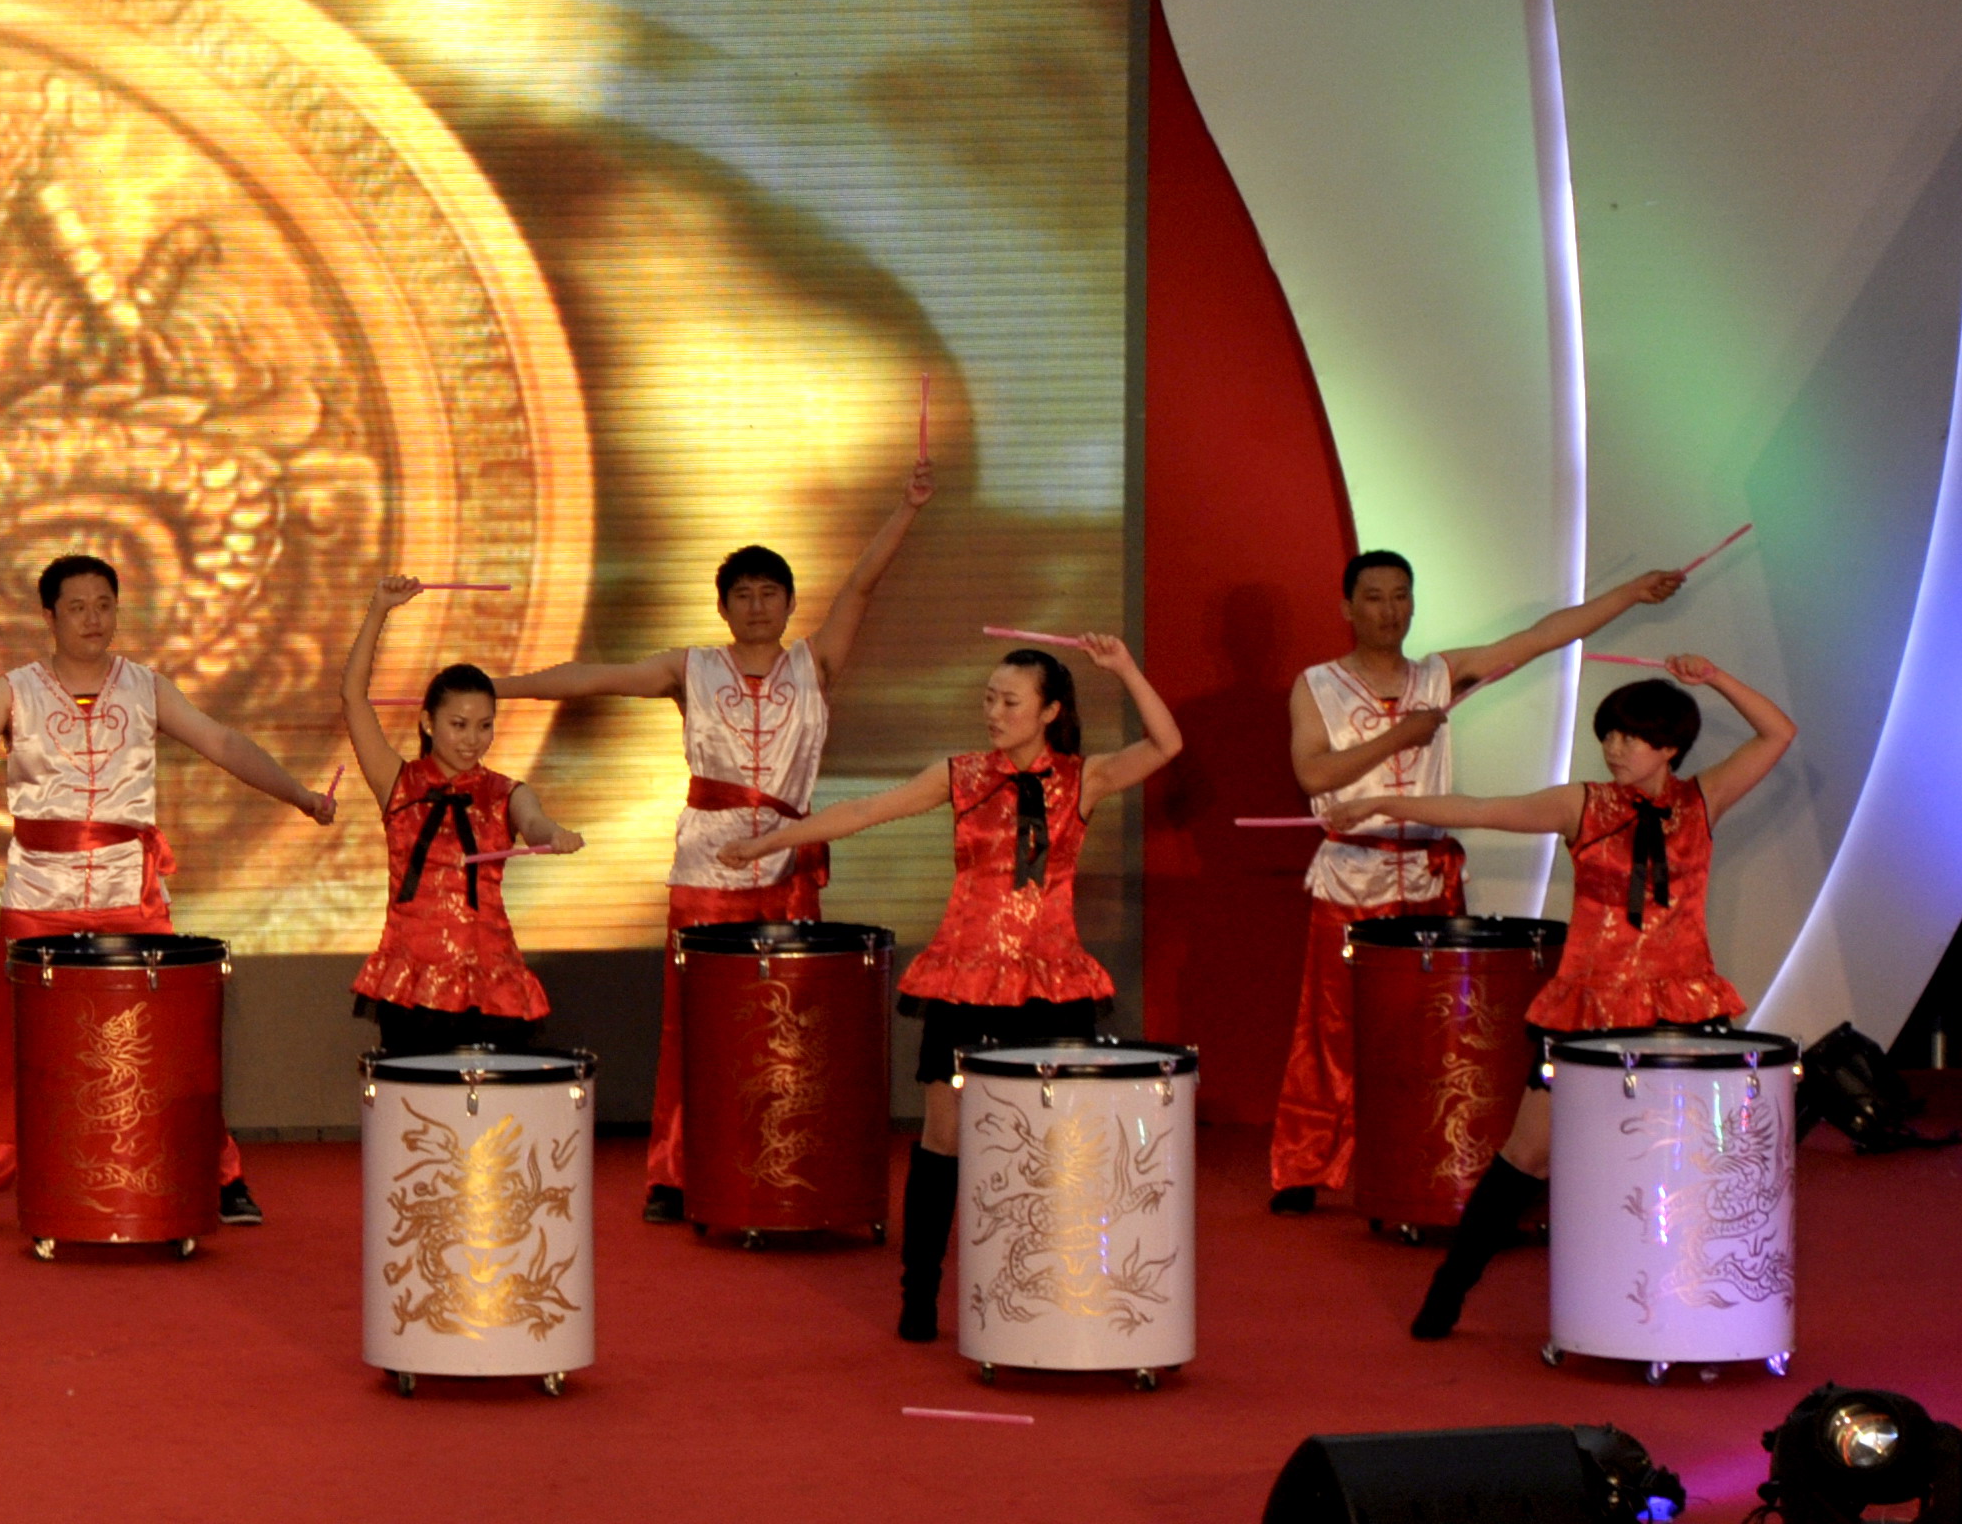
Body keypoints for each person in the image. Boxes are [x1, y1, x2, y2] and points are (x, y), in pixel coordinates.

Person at [493, 464, 934, 1222]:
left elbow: (861, 586)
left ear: (789, 602)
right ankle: (676, 1174)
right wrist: (495, 688)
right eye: (743, 595)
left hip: (789, 861)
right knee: (693, 1021)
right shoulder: (688, 668)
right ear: (723, 606)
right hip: (704, 864)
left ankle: (783, 1164)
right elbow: (594, 678)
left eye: (769, 593)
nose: (756, 606)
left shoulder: (816, 662)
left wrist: (906, 508)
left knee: (786, 1022)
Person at [0, 552, 339, 1232]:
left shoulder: (146, 687)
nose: (92, 619)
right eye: (77, 607)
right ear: (49, 616)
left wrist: (300, 795)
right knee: (3, 1040)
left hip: (127, 888)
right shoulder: (13, 691)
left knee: (167, 1041)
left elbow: (223, 742)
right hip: (38, 890)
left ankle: (216, 1173)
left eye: (104, 605)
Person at [721, 635, 1183, 1342]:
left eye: (1009, 702)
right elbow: (865, 811)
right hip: (964, 976)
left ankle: (1058, 1296)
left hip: (1051, 978)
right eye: (987, 699)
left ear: (1049, 711)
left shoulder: (1083, 779)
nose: (992, 712)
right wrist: (766, 844)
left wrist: (1123, 667)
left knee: (1059, 1144)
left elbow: (1166, 743)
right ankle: (920, 1292)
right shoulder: (961, 774)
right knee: (943, 1137)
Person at [1337, 659, 1795, 1340]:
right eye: (1607, 734)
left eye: (1629, 737)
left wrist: (1716, 677)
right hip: (1589, 1008)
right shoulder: (1581, 804)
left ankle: (1688, 1311)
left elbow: (1778, 733)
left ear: (1669, 746)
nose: (1613, 748)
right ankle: (1450, 1287)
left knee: (1694, 1163)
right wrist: (1386, 805)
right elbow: (1480, 810)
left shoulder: (1703, 800)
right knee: (1527, 1155)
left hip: (1683, 1008)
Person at [1263, 554, 1691, 1213]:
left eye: (1401, 596)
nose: (1389, 610)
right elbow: (1313, 775)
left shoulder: (1438, 672)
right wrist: (1401, 736)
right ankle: (1305, 1165)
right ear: (1347, 607)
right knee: (1331, 1027)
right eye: (1373, 597)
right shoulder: (1316, 684)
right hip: (1351, 877)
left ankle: (1442, 1156)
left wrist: (1630, 593)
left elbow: (1540, 637)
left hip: (1430, 876)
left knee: (1444, 1029)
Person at [341, 575, 581, 1054]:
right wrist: (379, 610)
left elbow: (534, 822)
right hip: (413, 979)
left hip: (490, 978)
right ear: (428, 722)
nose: (473, 739)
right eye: (459, 725)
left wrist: (553, 834)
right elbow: (353, 699)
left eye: (484, 726)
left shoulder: (505, 792)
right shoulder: (398, 782)